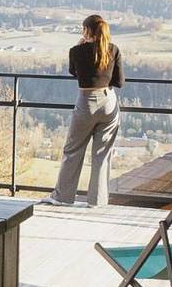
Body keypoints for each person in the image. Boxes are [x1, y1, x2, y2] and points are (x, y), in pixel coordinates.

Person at [42, 14, 124, 207]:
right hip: (109, 102)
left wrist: (80, 47)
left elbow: (74, 72)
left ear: (87, 31)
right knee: (102, 153)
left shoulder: (77, 51)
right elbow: (119, 82)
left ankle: (62, 197)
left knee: (73, 149)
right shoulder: (114, 50)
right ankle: (97, 201)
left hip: (87, 101)